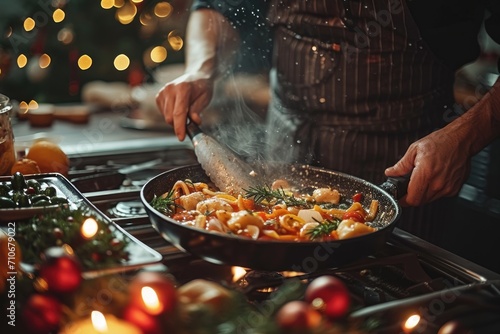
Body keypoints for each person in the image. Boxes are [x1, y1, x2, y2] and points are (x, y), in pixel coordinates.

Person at [156, 0, 500, 244]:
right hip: (283, 139)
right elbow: (219, 6)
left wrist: (464, 137)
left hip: (405, 160)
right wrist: (199, 70)